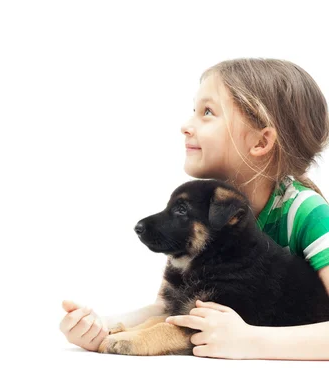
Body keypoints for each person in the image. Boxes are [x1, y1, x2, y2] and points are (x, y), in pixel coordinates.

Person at [59, 58, 329, 360]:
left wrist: (252, 341)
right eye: (194, 111)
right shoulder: (201, 212)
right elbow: (169, 309)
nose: (186, 127)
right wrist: (103, 327)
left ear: (260, 141)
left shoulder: (307, 214)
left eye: (208, 112)